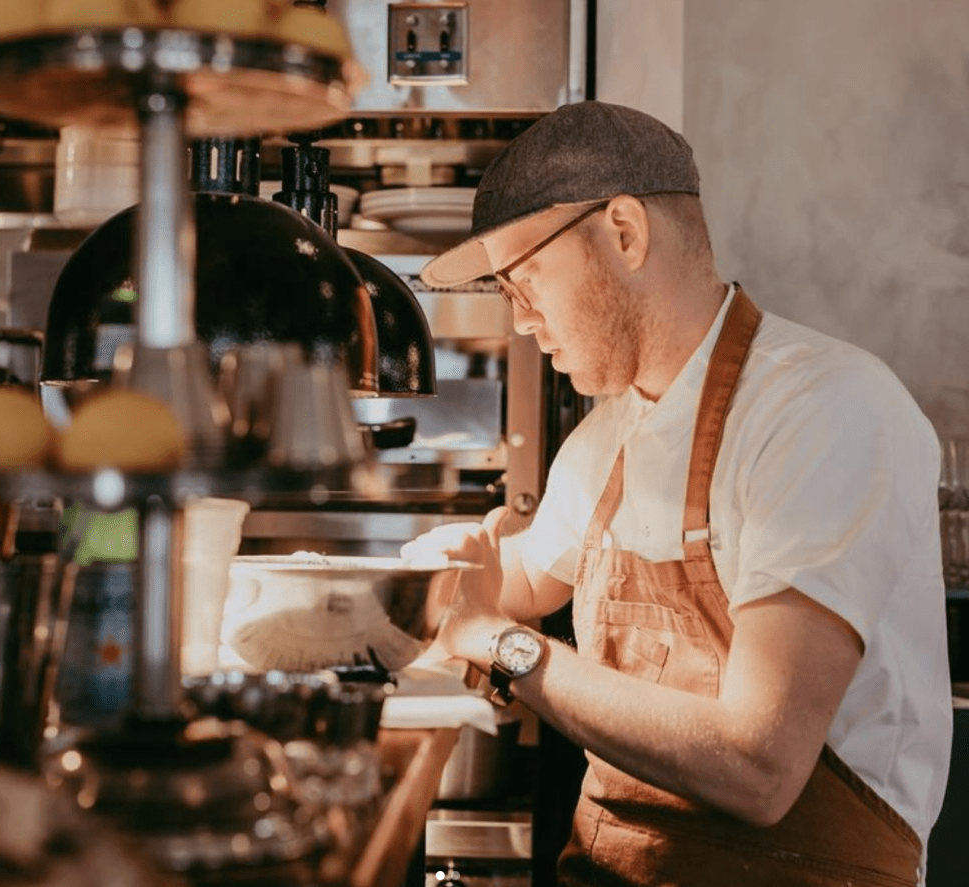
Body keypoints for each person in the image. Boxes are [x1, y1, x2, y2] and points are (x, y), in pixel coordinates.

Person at [406, 101, 952, 887]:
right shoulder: (606, 438)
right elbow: (521, 575)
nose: (521, 321)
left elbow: (758, 765)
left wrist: (500, 643)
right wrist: (433, 575)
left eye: (524, 281)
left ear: (624, 232)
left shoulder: (826, 412)